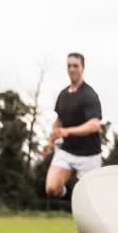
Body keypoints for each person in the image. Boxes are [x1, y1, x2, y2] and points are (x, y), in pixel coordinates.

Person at [44, 52, 103, 197]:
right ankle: (67, 193)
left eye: (75, 66)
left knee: (90, 199)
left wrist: (68, 131)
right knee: (51, 189)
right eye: (69, 66)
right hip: (67, 152)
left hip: (90, 155)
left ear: (82, 68)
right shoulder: (63, 95)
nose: (72, 69)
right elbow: (59, 121)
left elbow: (94, 124)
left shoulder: (90, 95)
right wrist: (50, 142)